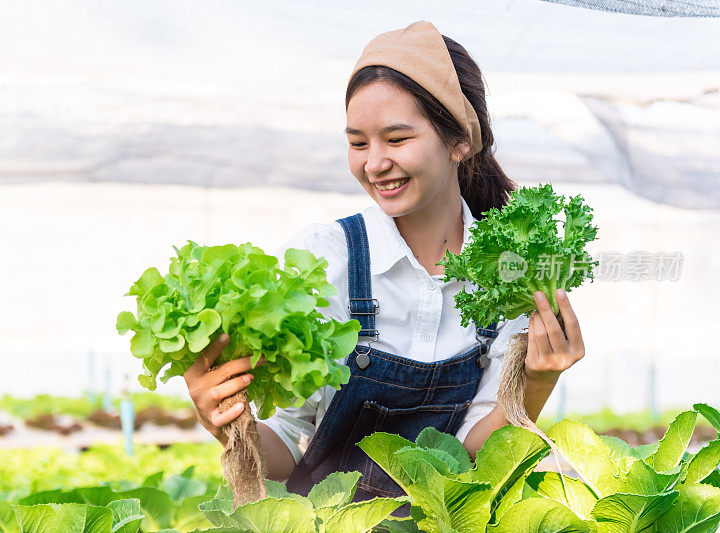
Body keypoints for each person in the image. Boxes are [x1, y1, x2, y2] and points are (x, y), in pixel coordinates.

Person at [184, 20, 585, 504]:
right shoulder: (324, 259)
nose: (374, 163)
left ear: (459, 142)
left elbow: (475, 454)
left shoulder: (507, 275)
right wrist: (228, 425)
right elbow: (286, 446)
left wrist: (536, 383)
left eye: (396, 140)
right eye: (358, 143)